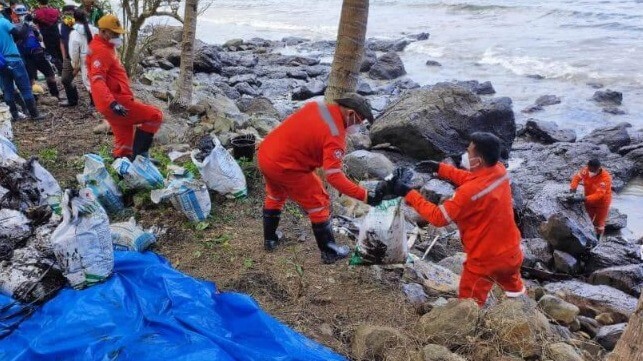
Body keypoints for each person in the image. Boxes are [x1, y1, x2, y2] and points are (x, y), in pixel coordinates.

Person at [392, 132, 525, 306]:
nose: (465, 154)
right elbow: (474, 179)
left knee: (469, 304)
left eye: (469, 152)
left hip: (484, 260)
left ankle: (470, 329)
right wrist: (441, 168)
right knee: (515, 292)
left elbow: (439, 218)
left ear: (478, 161)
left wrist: (408, 193)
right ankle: (525, 314)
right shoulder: (500, 171)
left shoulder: (467, 193)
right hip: (512, 252)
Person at [257, 93, 388, 264]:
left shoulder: (317, 106)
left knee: (275, 195)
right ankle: (329, 251)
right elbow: (334, 177)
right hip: (286, 166)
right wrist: (364, 195)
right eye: (360, 121)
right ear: (350, 114)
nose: (359, 126)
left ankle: (270, 239)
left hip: (266, 154)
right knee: (319, 202)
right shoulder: (335, 136)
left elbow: (304, 132)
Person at [87, 14, 163, 159]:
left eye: (118, 33)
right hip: (116, 101)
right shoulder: (101, 51)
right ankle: (141, 157)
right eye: (114, 33)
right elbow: (97, 80)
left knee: (124, 147)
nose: (117, 36)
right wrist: (112, 103)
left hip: (112, 101)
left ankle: (123, 168)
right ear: (103, 32)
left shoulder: (105, 47)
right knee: (155, 116)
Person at [0, 10, 44, 120]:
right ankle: (34, 114)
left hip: (1, 63)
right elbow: (19, 35)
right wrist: (26, 23)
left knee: (7, 90)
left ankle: (14, 115)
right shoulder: (3, 22)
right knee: (25, 89)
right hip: (13, 59)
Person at [13, 5, 60, 100]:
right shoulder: (13, 27)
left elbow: (40, 39)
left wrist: (35, 30)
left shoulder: (31, 26)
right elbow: (15, 41)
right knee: (31, 79)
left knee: (50, 75)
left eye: (23, 14)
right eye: (20, 14)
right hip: (26, 56)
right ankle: (35, 100)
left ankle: (55, 95)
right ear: (15, 15)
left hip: (38, 53)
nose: (22, 16)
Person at [569, 159, 612, 238]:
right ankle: (586, 237)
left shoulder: (605, 178)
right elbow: (576, 179)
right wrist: (573, 190)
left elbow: (599, 195)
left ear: (598, 168)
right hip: (588, 200)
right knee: (587, 218)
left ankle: (598, 239)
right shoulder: (585, 170)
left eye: (593, 170)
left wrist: (582, 199)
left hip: (602, 203)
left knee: (599, 223)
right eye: (589, 169)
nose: (590, 172)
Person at [68, 9, 96, 103]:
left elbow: (74, 52)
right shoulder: (94, 29)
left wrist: (75, 64)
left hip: (85, 58)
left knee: (88, 80)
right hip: (98, 56)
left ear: (74, 19)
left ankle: (94, 102)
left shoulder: (74, 33)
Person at [31, 0, 62, 74]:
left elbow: (35, 22)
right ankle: (66, 68)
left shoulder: (37, 13)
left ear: (39, 3)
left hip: (46, 35)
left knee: (52, 53)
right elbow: (58, 19)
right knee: (60, 50)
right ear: (47, 2)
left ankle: (60, 69)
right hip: (56, 33)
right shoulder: (55, 11)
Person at [57, 4, 78, 106]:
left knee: (89, 79)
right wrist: (64, 56)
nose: (69, 16)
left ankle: (94, 102)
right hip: (68, 57)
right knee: (65, 79)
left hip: (82, 56)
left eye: (71, 13)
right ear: (63, 14)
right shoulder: (61, 25)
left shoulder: (79, 25)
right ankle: (72, 100)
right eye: (67, 14)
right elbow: (61, 41)